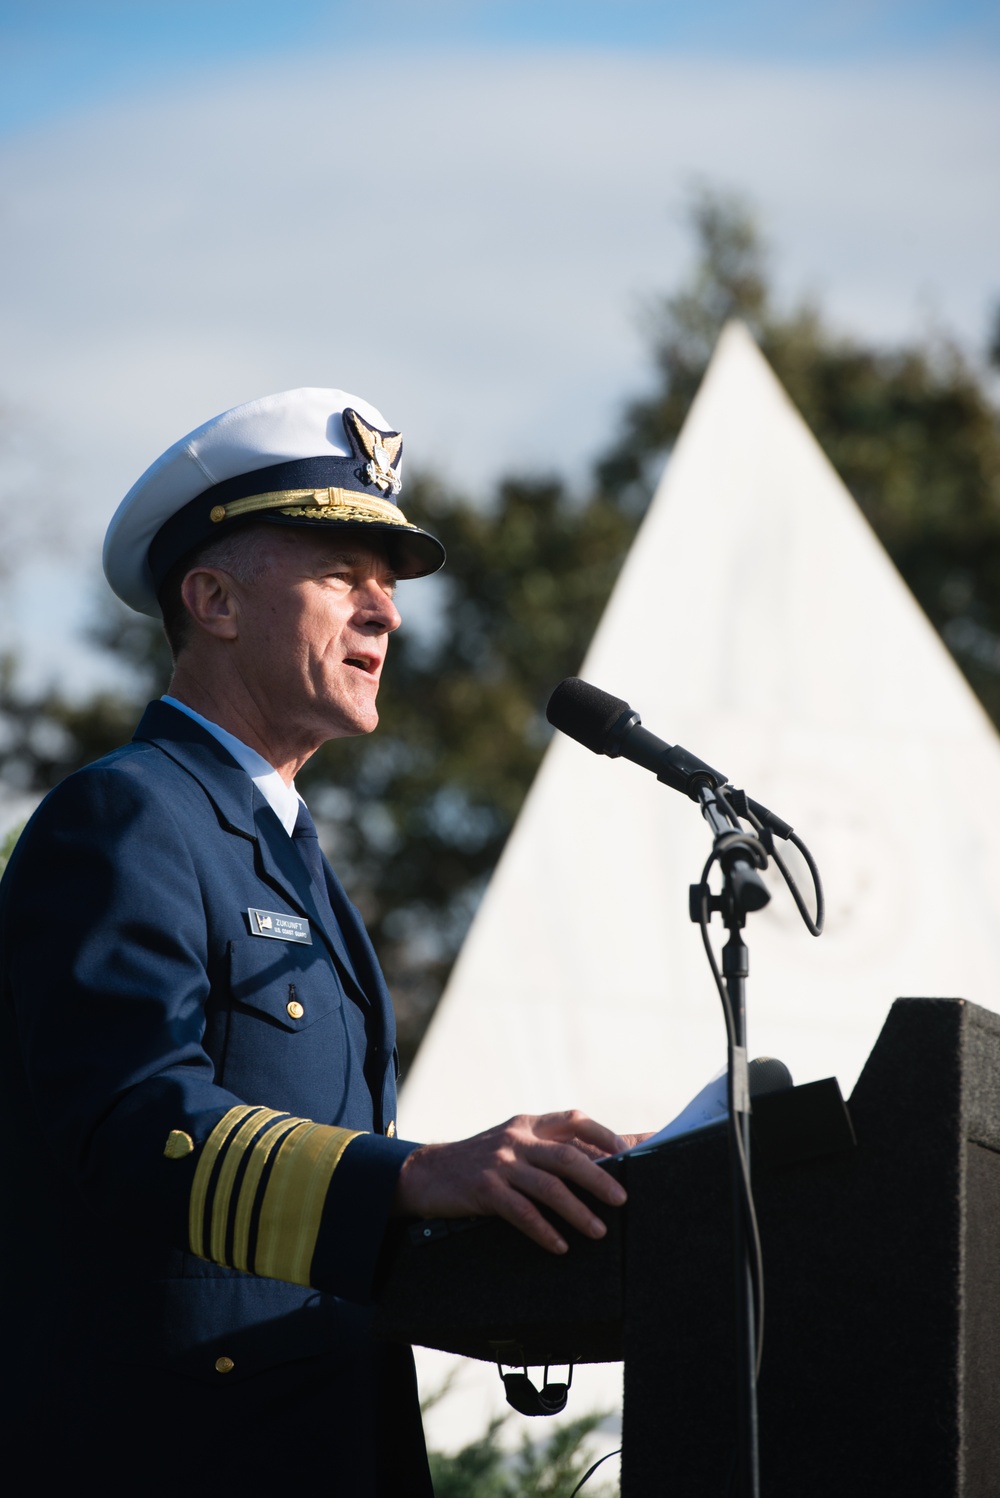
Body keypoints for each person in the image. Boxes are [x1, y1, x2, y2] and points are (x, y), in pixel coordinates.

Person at [0, 388, 633, 1494]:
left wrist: (505, 1212)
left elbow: (319, 1192)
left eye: (387, 588)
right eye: (344, 575)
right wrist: (418, 1174)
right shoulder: (129, 815)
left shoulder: (284, 852)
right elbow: (139, 1124)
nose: (384, 614)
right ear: (213, 600)